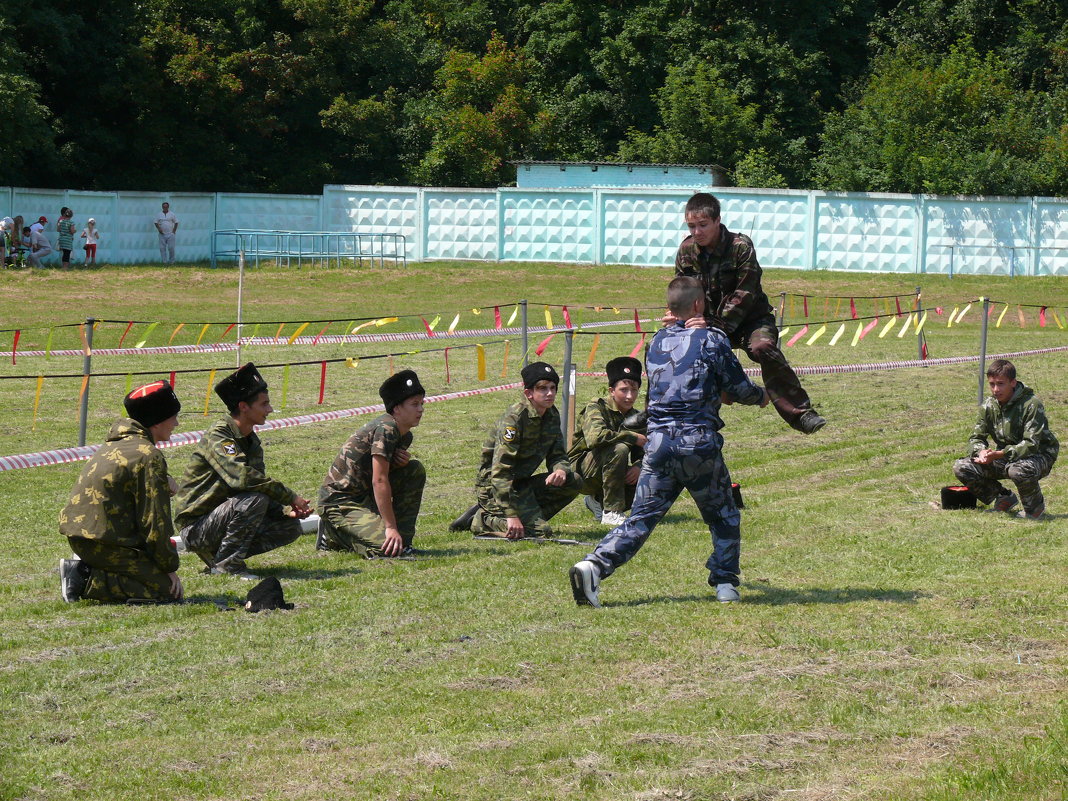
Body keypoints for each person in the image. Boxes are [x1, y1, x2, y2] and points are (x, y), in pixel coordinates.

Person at [570, 276, 770, 607]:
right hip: (697, 442)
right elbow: (738, 389)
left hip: (659, 444)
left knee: (640, 520)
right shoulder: (712, 340)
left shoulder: (657, 341)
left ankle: (593, 565)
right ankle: (725, 583)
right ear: (697, 304)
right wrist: (763, 396)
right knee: (723, 515)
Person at [673, 192, 824, 435]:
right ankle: (653, 411)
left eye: (703, 225)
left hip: (750, 320)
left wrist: (713, 325)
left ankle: (801, 413)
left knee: (763, 348)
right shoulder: (686, 250)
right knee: (667, 344)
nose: (697, 232)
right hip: (707, 321)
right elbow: (683, 290)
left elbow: (746, 292)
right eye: (691, 226)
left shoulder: (740, 247)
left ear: (717, 220)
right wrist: (678, 314)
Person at [173, 363, 312, 579]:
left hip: (222, 517)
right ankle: (227, 566)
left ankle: (218, 557)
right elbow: (242, 478)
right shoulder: (219, 435)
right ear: (244, 406)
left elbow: (260, 485)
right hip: (196, 527)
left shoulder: (250, 441)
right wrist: (290, 496)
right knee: (253, 500)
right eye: (264, 404)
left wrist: (283, 512)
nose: (270, 410)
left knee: (289, 527)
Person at [58, 381, 184, 603]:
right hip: (102, 542)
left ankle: (88, 566)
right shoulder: (148, 455)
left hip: (88, 537)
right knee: (167, 593)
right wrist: (168, 567)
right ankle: (84, 577)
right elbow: (155, 523)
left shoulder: (121, 444)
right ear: (157, 421)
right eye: (172, 416)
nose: (176, 423)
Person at [317, 370, 427, 557]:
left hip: (364, 496)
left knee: (414, 470)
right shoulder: (387, 429)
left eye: (422, 403)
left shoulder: (404, 435)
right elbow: (380, 481)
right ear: (396, 408)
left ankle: (403, 542)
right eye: (414, 404)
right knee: (383, 549)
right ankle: (332, 533)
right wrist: (390, 527)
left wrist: (397, 465)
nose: (421, 409)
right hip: (341, 500)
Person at [469, 361, 582, 539]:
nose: (550, 393)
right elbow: (500, 472)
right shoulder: (514, 419)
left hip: (520, 484)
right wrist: (511, 515)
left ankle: (529, 518)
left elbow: (558, 454)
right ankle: (483, 519)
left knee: (572, 480)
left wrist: (560, 469)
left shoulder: (551, 414)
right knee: (540, 533)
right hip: (494, 488)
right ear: (529, 393)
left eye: (553, 387)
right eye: (543, 388)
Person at [952, 359, 1058, 520]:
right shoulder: (988, 406)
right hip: (1005, 455)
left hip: (1039, 455)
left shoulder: (1031, 404)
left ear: (1013, 382)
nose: (995, 389)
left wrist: (1000, 454)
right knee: (962, 466)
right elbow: (975, 437)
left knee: (1018, 470)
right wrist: (981, 452)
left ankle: (1034, 508)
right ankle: (1003, 497)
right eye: (992, 384)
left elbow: (1031, 444)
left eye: (1001, 384)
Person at [569, 356, 647, 527]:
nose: (629, 396)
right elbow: (595, 437)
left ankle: (598, 501)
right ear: (611, 390)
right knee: (619, 449)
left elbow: (647, 451)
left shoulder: (637, 417)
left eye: (634, 390)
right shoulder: (596, 407)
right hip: (581, 472)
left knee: (652, 473)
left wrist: (639, 466)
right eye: (624, 390)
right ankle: (612, 512)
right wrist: (631, 437)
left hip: (612, 469)